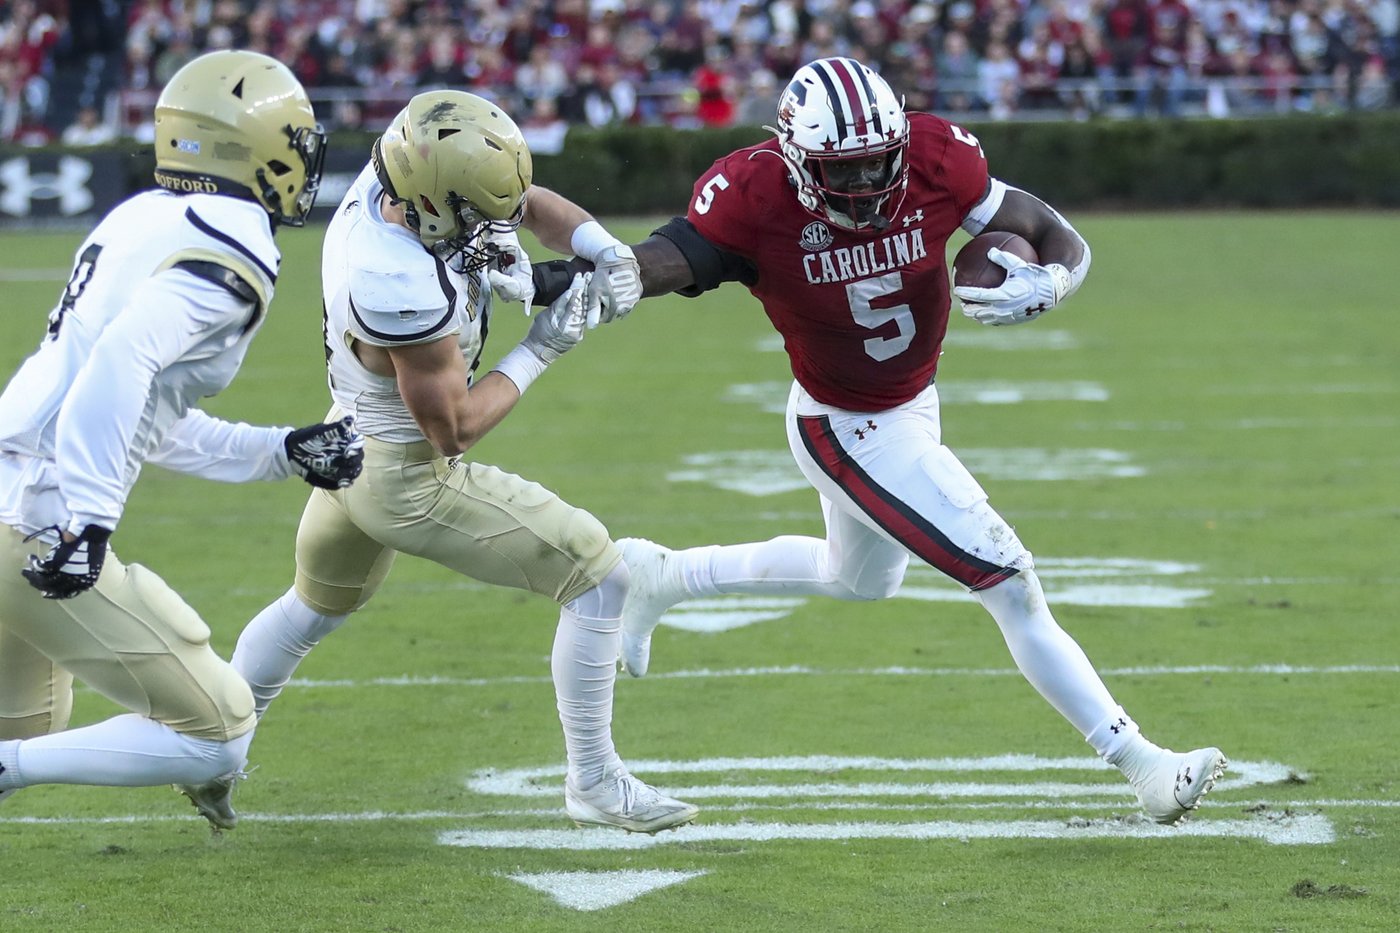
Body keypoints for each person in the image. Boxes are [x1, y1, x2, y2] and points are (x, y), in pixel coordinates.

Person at [595, 56, 1228, 826]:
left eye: (875, 162)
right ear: (795, 157)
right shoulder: (754, 192)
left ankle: (660, 574)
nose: (863, 183)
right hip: (847, 425)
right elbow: (671, 258)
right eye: (844, 168)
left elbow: (1047, 230)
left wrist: (1050, 284)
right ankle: (1143, 764)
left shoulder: (937, 157)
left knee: (857, 579)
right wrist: (597, 274)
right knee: (1008, 578)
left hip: (910, 403)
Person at [177, 90, 695, 835]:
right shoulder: (393, 282)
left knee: (312, 607)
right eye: (477, 218)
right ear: (432, 204)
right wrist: (543, 343)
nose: (499, 228)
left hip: (346, 441)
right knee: (598, 574)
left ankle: (210, 756)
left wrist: (602, 248)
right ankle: (594, 780)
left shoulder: (399, 176)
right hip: (404, 472)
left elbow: (519, 203)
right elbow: (453, 427)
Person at [0, 51, 364, 815]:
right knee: (218, 733)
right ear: (249, 141)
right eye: (292, 139)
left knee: (33, 721)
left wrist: (277, 452)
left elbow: (141, 414)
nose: (302, 158)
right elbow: (121, 361)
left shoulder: (141, 214)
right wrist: (89, 520)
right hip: (33, 519)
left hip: (14, 491)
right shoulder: (237, 238)